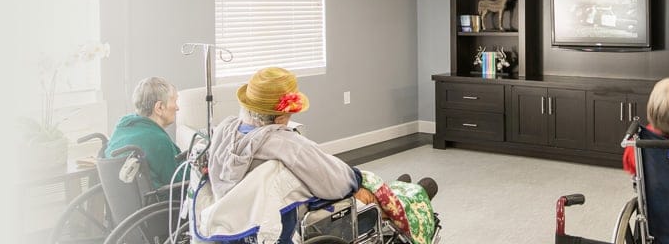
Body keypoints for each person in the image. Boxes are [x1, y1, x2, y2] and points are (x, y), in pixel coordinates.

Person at [206, 67, 438, 244]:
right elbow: (335, 182)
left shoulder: (224, 133)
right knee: (368, 188)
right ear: (280, 118)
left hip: (239, 226)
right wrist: (356, 179)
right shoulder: (286, 144)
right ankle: (416, 193)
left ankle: (400, 185)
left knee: (372, 185)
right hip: (302, 217)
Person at [104, 77, 183, 188]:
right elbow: (180, 181)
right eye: (174, 101)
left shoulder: (122, 127)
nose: (177, 108)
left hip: (128, 198)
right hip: (160, 198)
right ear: (159, 107)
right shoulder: (158, 140)